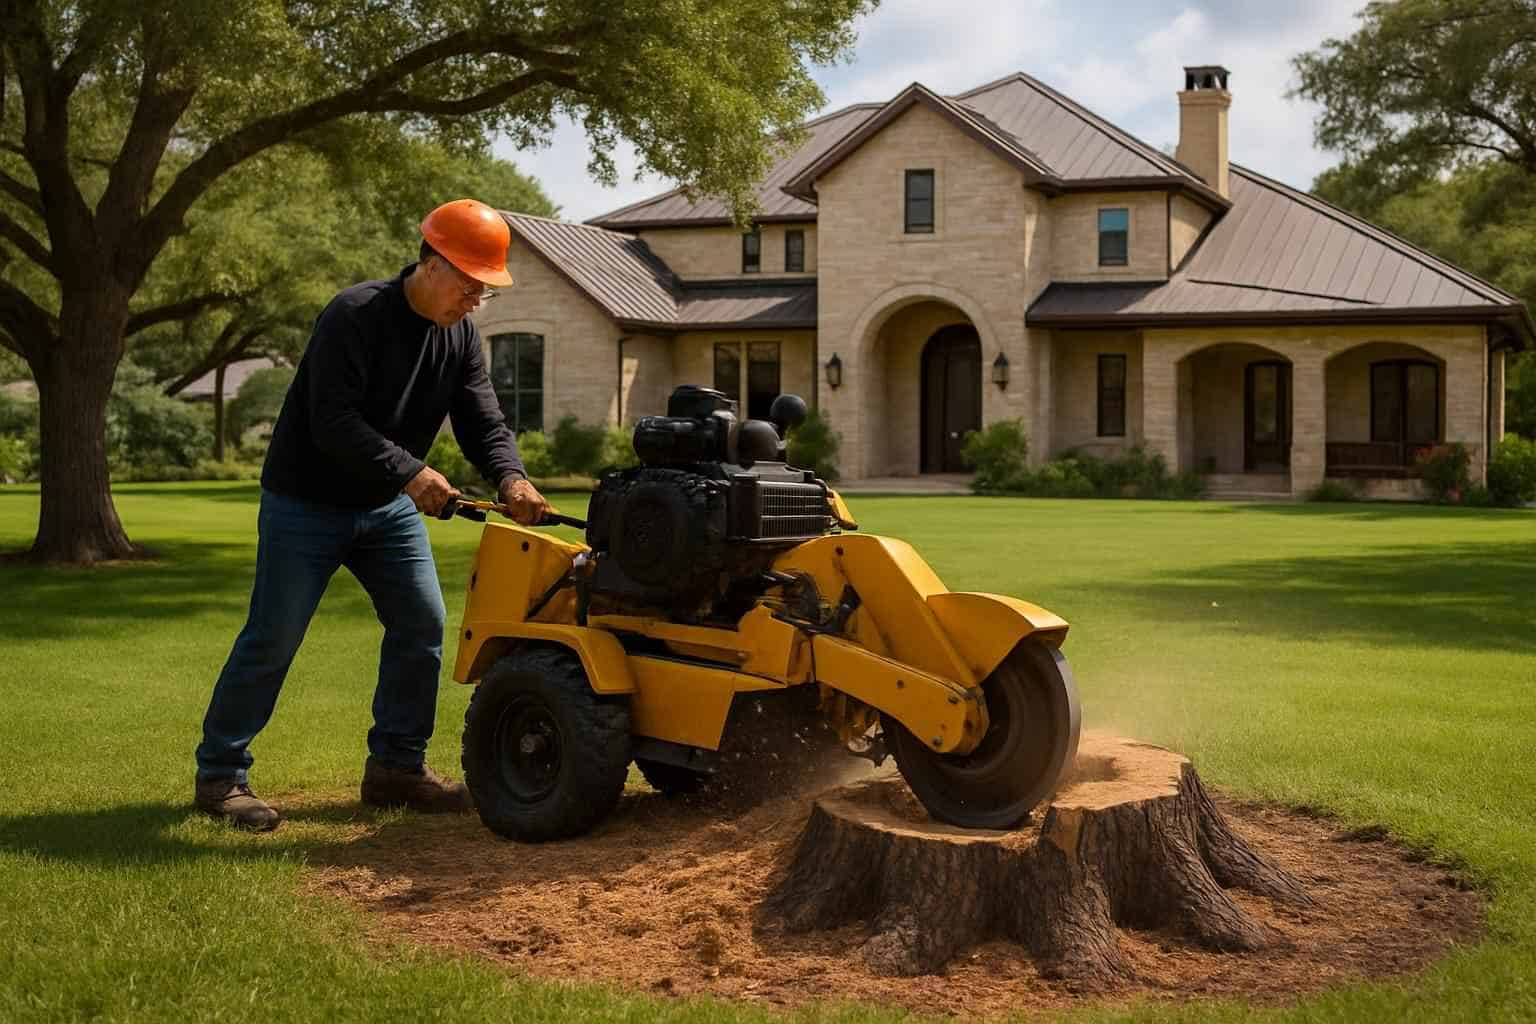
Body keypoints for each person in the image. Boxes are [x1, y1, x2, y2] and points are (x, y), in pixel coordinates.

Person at [193, 198, 553, 831]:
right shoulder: (355, 314)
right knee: (273, 636)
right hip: (305, 501)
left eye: (485, 292)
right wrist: (411, 472)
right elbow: (332, 421)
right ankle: (221, 775)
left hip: (383, 508)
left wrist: (511, 476)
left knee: (421, 623)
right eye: (470, 286)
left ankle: (396, 768)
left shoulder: (461, 335)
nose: (475, 301)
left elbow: (481, 417)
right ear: (434, 264)